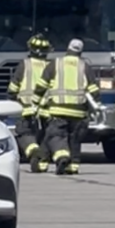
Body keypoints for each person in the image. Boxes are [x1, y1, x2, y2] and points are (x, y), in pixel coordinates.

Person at [37, 38, 99, 175]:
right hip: (79, 112)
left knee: (56, 136)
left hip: (57, 110)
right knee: (74, 139)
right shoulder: (85, 67)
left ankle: (62, 157)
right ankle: (73, 166)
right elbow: (94, 91)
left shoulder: (55, 64)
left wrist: (36, 103)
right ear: (81, 52)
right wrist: (94, 107)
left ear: (68, 49)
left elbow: (41, 86)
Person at [9, 33, 52, 171]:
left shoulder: (24, 65)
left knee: (24, 133)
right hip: (46, 111)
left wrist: (13, 100)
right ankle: (42, 163)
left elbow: (13, 88)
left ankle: (33, 151)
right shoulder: (51, 67)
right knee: (44, 137)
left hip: (26, 109)